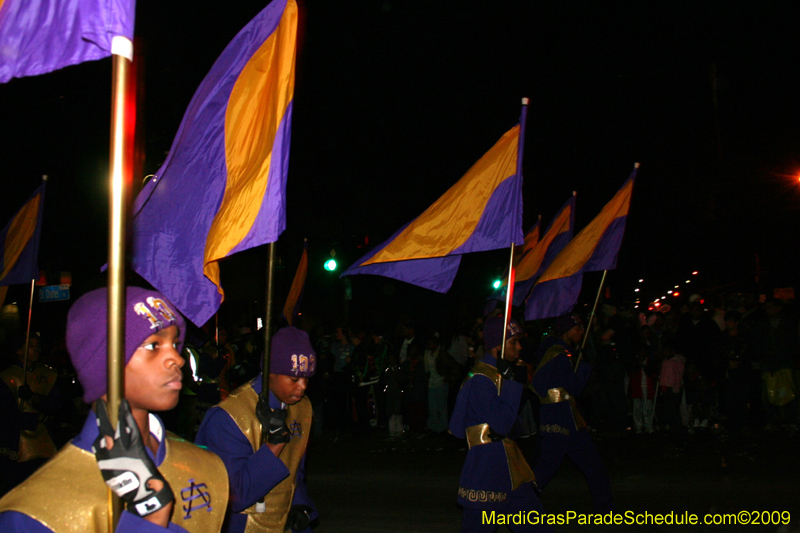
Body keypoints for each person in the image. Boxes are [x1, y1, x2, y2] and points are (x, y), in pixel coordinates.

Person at [0, 286, 229, 532]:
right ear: (104, 361)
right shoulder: (36, 514)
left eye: (175, 343)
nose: (178, 358)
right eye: (153, 345)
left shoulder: (206, 464)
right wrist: (149, 523)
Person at [195, 326, 318, 533]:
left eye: (307, 379)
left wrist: (301, 505)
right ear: (270, 373)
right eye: (294, 379)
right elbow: (233, 494)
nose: (303, 387)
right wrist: (273, 445)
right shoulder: (229, 416)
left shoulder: (302, 407)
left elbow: (297, 472)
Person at [449, 316, 549, 532]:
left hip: (509, 466)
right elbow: (501, 424)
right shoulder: (482, 379)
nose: (519, 347)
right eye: (514, 342)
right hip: (487, 469)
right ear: (498, 346)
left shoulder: (496, 374)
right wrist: (511, 382)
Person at [531, 314, 613, 513]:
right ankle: (518, 503)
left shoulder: (557, 352)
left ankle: (604, 508)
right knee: (547, 468)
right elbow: (574, 387)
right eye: (578, 328)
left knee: (590, 464)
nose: (581, 332)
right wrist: (585, 363)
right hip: (560, 418)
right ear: (567, 331)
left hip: (566, 418)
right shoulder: (558, 355)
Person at [0, 333, 61, 496]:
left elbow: (57, 406)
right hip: (17, 445)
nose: (36, 350)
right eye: (31, 346)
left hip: (46, 443)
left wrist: (35, 398)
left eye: (38, 346)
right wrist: (32, 419)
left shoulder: (48, 374)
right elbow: (4, 416)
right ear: (19, 350)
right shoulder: (7, 377)